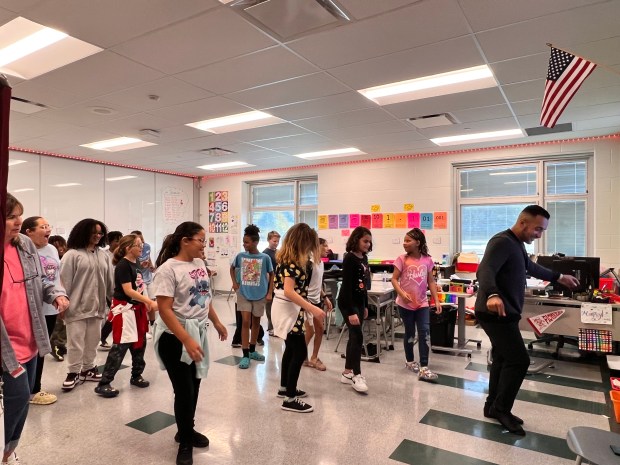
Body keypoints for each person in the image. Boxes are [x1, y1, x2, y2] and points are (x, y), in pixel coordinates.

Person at [475, 205, 580, 436]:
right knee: (519, 361)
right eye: (538, 229)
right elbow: (485, 270)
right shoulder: (501, 241)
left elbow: (530, 267)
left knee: (503, 359)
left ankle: (492, 407)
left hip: (506, 313)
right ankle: (502, 409)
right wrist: (492, 294)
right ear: (523, 222)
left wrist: (559, 276)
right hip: (495, 313)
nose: (539, 234)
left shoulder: (516, 244)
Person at [1, 194, 69, 464]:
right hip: (6, 344)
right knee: (17, 396)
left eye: (20, 214)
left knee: (24, 397)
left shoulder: (25, 244)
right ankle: (6, 449)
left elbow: (42, 281)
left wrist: (55, 294)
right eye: (11, 216)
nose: (19, 221)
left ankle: (8, 450)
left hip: (31, 338)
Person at [152, 222, 227, 465]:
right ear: (185, 240)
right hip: (175, 338)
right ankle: (184, 441)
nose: (204, 245)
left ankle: (186, 430)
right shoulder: (167, 269)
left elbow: (205, 298)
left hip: (197, 334)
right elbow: (164, 309)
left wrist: (216, 322)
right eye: (200, 240)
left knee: (194, 387)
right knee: (183, 390)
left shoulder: (199, 264)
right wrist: (186, 338)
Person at [94, 234, 157, 397]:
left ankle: (136, 375)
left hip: (136, 309)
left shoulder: (135, 263)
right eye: (138, 245)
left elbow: (137, 287)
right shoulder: (123, 265)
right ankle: (104, 382)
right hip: (125, 310)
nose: (141, 248)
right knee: (120, 346)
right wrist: (149, 301)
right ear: (128, 248)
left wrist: (144, 302)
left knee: (140, 343)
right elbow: (128, 290)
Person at [271, 223, 324, 413]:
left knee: (291, 350)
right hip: (287, 310)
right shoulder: (291, 263)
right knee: (300, 351)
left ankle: (285, 387)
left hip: (292, 310)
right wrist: (313, 309)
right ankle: (289, 399)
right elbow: (288, 291)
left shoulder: (291, 260)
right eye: (309, 244)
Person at [59, 218, 114, 391]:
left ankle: (88, 369)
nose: (97, 236)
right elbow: (63, 282)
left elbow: (109, 282)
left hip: (97, 308)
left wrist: (113, 301)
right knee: (75, 343)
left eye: (100, 233)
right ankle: (73, 372)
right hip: (75, 307)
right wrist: (63, 304)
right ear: (84, 233)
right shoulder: (72, 255)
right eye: (94, 233)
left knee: (93, 341)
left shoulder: (103, 255)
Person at [21, 216, 66, 406]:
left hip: (51, 306)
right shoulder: (23, 252)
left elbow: (55, 277)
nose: (48, 230)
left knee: (42, 350)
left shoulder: (52, 249)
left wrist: (60, 296)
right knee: (29, 350)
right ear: (28, 232)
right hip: (30, 308)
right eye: (43, 227)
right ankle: (28, 390)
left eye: (48, 226)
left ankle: (34, 389)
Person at [391, 228, 442, 381]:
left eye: (408, 241)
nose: (404, 243)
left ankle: (424, 367)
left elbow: (431, 281)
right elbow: (394, 279)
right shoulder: (401, 259)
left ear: (418, 243)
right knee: (410, 333)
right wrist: (402, 293)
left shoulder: (427, 260)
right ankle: (410, 360)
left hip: (422, 303)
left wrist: (436, 300)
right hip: (405, 304)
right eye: (404, 240)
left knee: (425, 332)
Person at [230, 224, 273, 369]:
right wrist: (235, 284)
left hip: (260, 294)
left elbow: (272, 275)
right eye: (244, 242)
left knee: (256, 322)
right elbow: (232, 268)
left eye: (247, 242)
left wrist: (269, 292)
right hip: (244, 293)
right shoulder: (240, 256)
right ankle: (245, 354)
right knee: (245, 321)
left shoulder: (265, 257)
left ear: (255, 242)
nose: (244, 244)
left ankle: (253, 350)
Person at [339, 226, 372, 393]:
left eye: (369, 242)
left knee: (354, 337)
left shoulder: (363, 258)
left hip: (359, 303)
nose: (367, 244)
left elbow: (363, 285)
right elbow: (346, 287)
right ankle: (356, 375)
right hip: (347, 303)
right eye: (365, 241)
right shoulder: (349, 259)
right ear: (356, 239)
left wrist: (365, 305)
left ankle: (346, 372)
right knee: (358, 336)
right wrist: (351, 311)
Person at [303, 238, 333, 371]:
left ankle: (314, 357)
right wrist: (306, 304)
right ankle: (302, 356)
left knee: (319, 329)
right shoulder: (309, 264)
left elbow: (317, 284)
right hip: (307, 302)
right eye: (324, 246)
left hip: (317, 301)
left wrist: (325, 297)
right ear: (316, 247)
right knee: (310, 331)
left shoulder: (321, 263)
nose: (327, 249)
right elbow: (304, 285)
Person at [100, 230, 123, 351]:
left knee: (114, 314)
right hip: (107, 289)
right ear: (109, 242)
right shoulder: (104, 254)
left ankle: (105, 337)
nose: (119, 243)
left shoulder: (122, 254)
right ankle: (103, 337)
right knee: (113, 314)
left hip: (118, 289)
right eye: (116, 241)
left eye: (120, 240)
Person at [48, 235, 68, 362]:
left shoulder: (67, 258)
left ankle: (61, 345)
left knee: (64, 323)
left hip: (66, 295)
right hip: (55, 296)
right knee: (58, 324)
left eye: (62, 245)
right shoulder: (51, 261)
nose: (60, 248)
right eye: (57, 246)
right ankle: (55, 346)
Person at [262, 230, 280, 335]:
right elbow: (266, 272)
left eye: (278, 241)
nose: (276, 243)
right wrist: (270, 286)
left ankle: (277, 326)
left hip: (278, 282)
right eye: (274, 241)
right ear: (269, 240)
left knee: (276, 307)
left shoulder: (277, 252)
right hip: (269, 284)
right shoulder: (265, 254)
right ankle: (271, 327)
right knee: (269, 306)